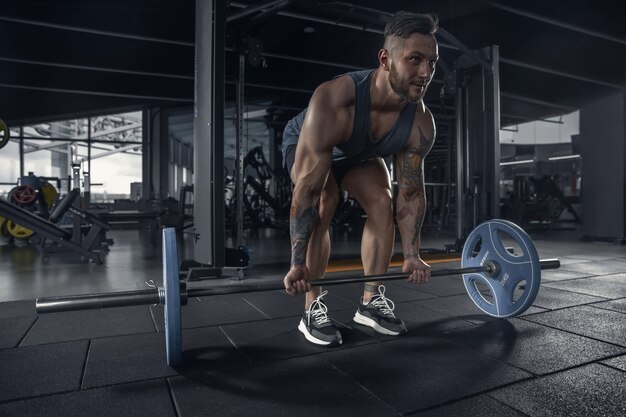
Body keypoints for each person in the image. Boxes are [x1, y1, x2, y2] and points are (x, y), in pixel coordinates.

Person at [281, 11, 438, 346]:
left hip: (358, 153)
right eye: (415, 60)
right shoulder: (335, 99)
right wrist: (296, 263)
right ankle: (313, 308)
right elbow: (307, 192)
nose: (426, 73)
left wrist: (411, 253)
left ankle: (370, 303)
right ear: (385, 59)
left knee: (383, 202)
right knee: (326, 198)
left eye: (432, 62)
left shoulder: (420, 121)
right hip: (306, 144)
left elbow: (409, 194)